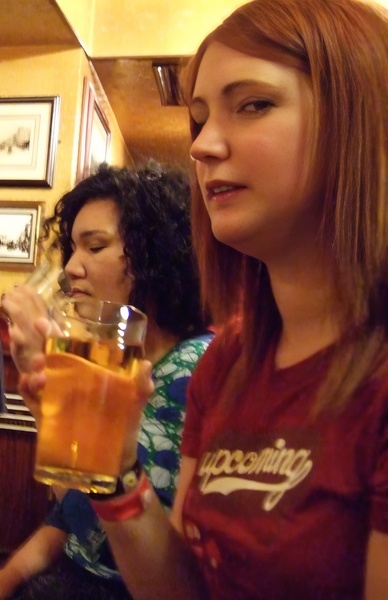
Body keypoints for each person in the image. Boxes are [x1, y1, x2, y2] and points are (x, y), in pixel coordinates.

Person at [5, 0, 388, 598]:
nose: (203, 146)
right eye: (200, 120)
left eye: (254, 104)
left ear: (359, 118)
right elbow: (183, 587)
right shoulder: (229, 362)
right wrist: (112, 468)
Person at [0, 162, 213, 599]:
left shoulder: (200, 368)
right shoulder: (104, 361)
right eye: (71, 249)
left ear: (156, 256)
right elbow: (72, 503)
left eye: (94, 247)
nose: (71, 268)